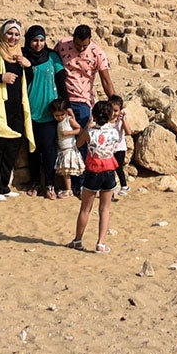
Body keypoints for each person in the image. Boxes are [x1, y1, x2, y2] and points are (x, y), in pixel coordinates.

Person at [0, 19, 37, 200]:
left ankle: (3, 186)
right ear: (2, 34)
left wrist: (28, 66)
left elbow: (29, 79)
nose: (13, 37)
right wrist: (1, 77)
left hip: (16, 107)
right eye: (10, 33)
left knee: (11, 149)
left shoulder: (20, 55)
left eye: (17, 34)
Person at [70, 101, 126, 254]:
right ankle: (101, 243)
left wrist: (88, 126)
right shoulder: (114, 132)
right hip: (109, 170)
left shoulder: (91, 132)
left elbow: (79, 143)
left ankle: (78, 240)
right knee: (105, 209)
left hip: (93, 170)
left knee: (85, 209)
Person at [23, 25, 65, 198]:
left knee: (49, 150)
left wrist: (66, 105)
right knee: (32, 150)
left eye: (41, 40)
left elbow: (62, 81)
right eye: (34, 40)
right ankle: (34, 183)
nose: (38, 44)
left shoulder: (53, 57)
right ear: (28, 41)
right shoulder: (23, 57)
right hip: (30, 110)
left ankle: (49, 184)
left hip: (49, 112)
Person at [56, 24, 118, 125]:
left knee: (82, 135)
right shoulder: (62, 45)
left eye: (84, 45)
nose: (81, 48)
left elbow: (106, 81)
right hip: (62, 98)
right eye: (77, 45)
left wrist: (115, 104)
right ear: (73, 38)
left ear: (90, 39)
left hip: (83, 101)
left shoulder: (97, 53)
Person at [48, 98, 82, 198]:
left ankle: (69, 189)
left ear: (66, 113)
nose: (59, 117)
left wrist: (69, 133)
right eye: (56, 115)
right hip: (62, 150)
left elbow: (80, 129)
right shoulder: (58, 123)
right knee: (65, 171)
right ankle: (69, 188)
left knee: (67, 171)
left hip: (69, 149)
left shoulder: (68, 120)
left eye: (62, 115)